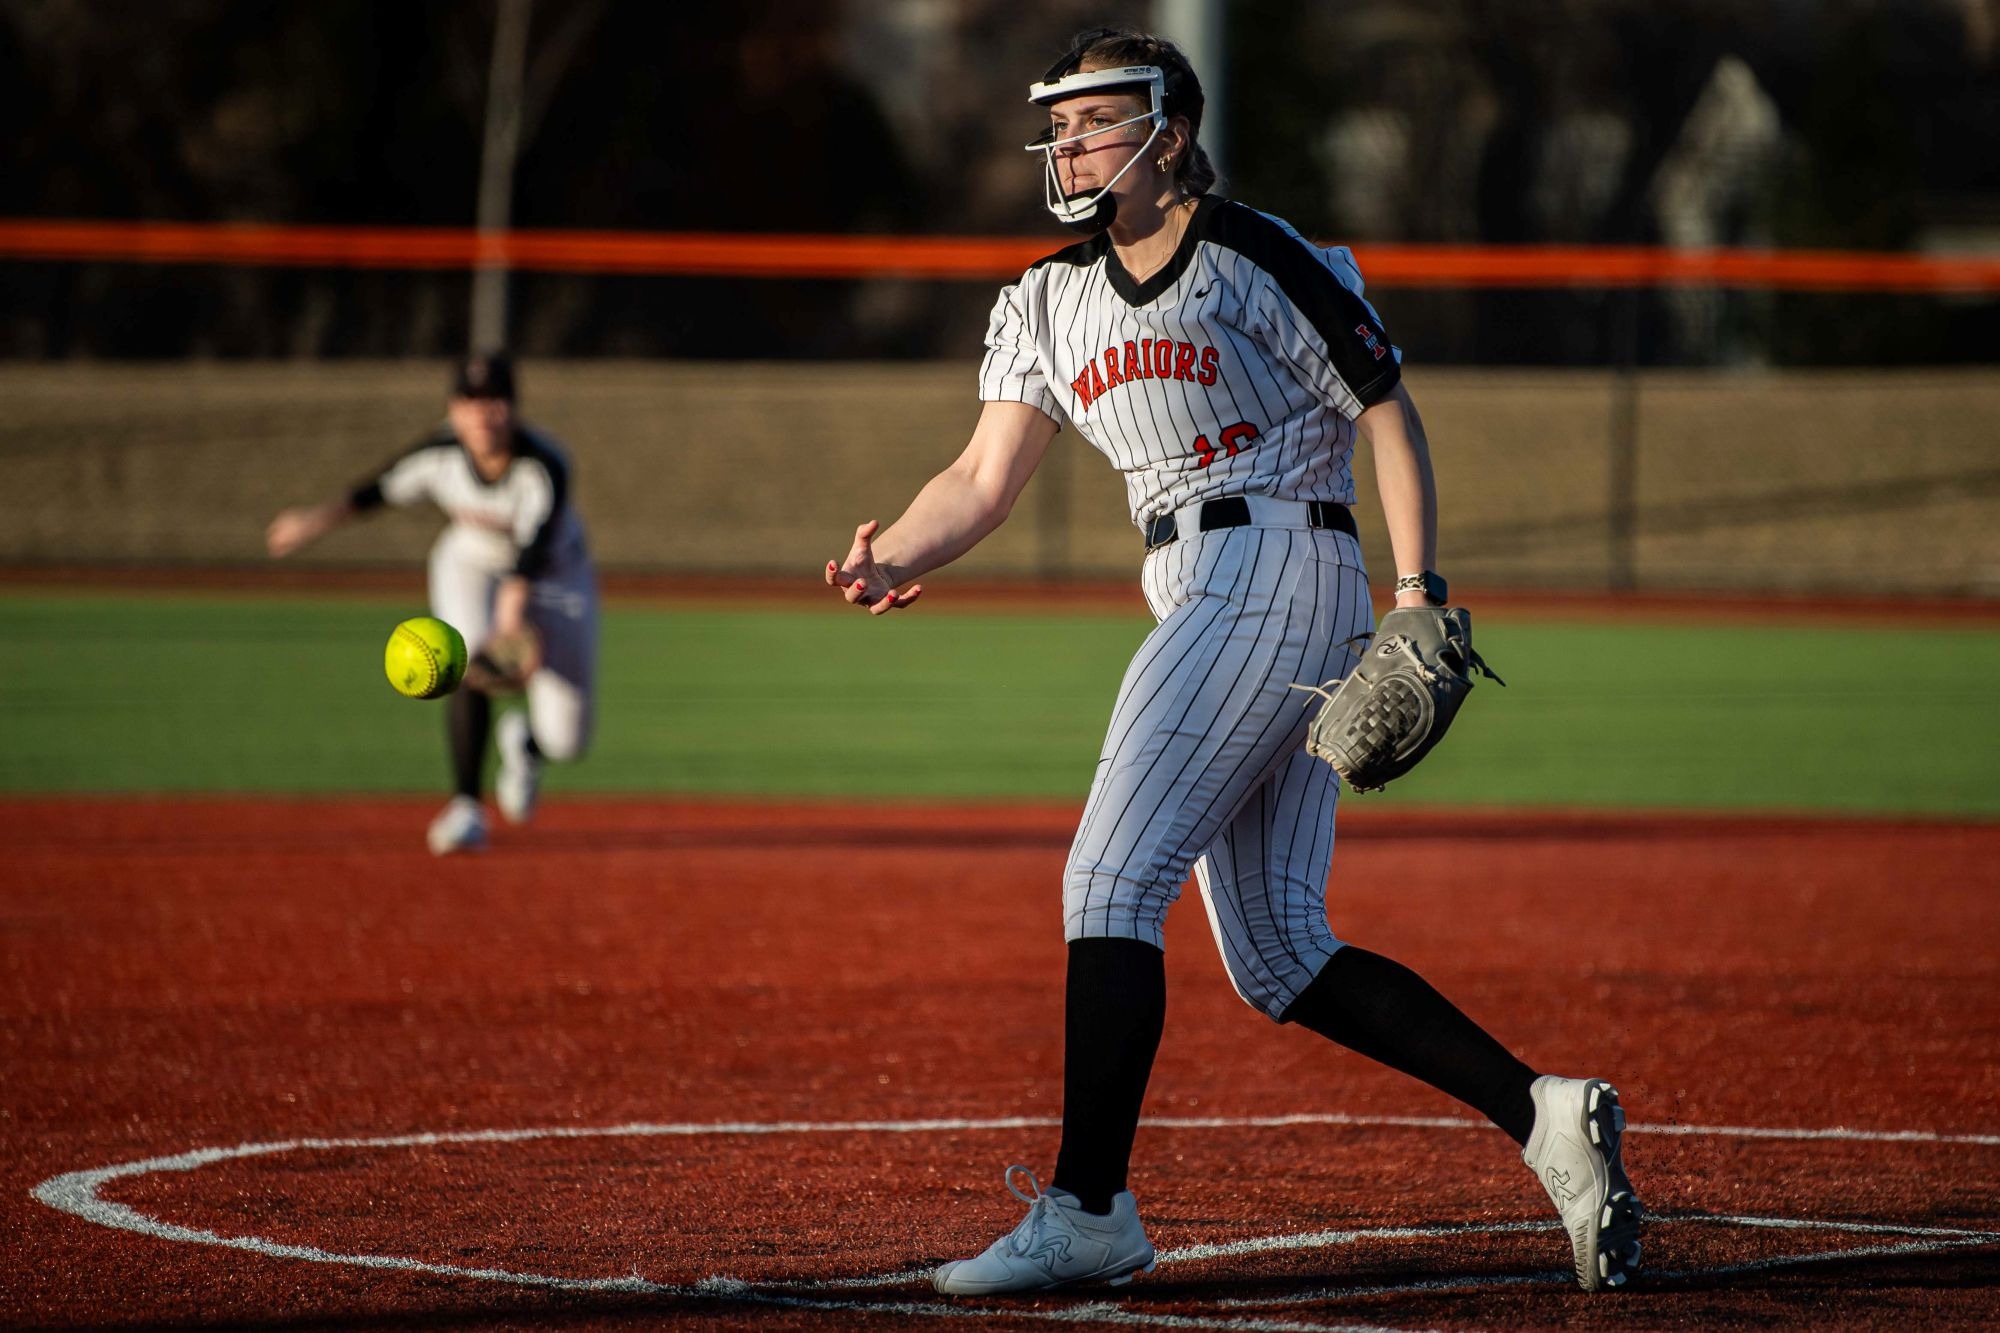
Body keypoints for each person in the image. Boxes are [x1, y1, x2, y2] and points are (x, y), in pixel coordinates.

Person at [825, 27, 1643, 1298]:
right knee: (1275, 949)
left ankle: (1088, 1206)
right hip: (1201, 579)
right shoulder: (1047, 295)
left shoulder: (1252, 254)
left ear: (1168, 130)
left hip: (1273, 562)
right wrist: (895, 549)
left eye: (1095, 120)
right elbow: (982, 478)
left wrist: (1417, 592)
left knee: (1106, 879)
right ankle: (1542, 1114)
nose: (1067, 141)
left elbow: (1385, 406)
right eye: (1059, 124)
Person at [267, 353, 599, 855]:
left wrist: (510, 626)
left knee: (567, 741)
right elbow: (377, 488)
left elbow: (530, 557)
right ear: (454, 409)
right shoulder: (441, 452)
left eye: (495, 403)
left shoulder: (544, 465)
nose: (482, 416)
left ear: (513, 409)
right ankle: (466, 807)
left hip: (556, 580)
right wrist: (311, 522)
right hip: (469, 561)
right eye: (471, 403)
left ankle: (527, 745)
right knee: (461, 656)